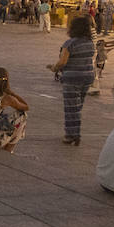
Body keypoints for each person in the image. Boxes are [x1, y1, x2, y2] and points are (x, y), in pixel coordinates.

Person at [47, 15, 97, 146]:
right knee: (77, 107)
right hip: (87, 77)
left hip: (73, 78)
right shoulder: (90, 43)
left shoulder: (70, 43)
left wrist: (54, 68)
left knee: (71, 107)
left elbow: (62, 62)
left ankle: (71, 135)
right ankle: (75, 132)